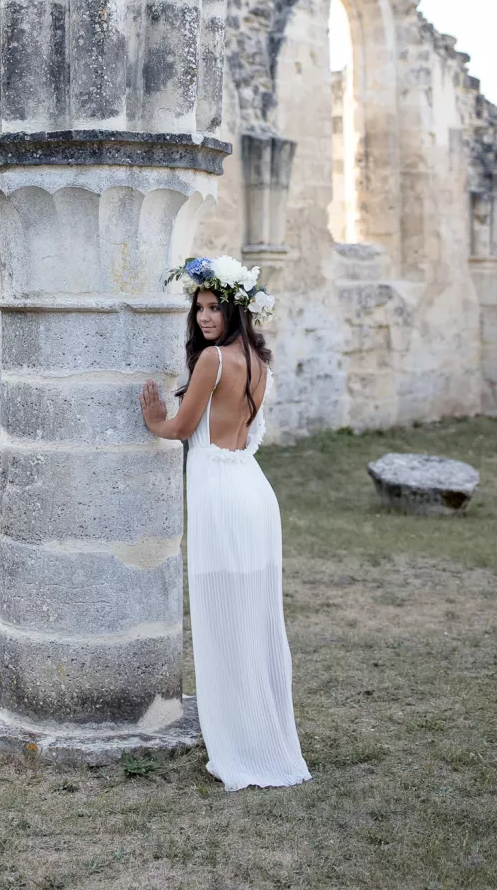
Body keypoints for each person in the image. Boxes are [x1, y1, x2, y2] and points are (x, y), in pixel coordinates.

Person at [139, 255, 310, 791]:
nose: (205, 316)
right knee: (253, 620)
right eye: (200, 307)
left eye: (215, 307)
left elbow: (180, 429)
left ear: (236, 309)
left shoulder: (213, 361)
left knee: (222, 621)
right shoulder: (261, 366)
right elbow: (247, 435)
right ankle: (264, 739)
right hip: (254, 491)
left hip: (220, 493)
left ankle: (241, 749)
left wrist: (153, 419)